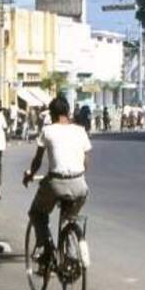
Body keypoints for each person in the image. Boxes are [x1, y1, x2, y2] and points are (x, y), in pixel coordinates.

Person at [23, 96, 91, 251]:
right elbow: (86, 162)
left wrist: (30, 175)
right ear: (68, 112)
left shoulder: (47, 131)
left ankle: (45, 246)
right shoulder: (80, 131)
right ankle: (70, 242)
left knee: (36, 212)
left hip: (56, 184)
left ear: (52, 114)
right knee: (70, 218)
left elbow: (37, 161)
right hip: (80, 186)